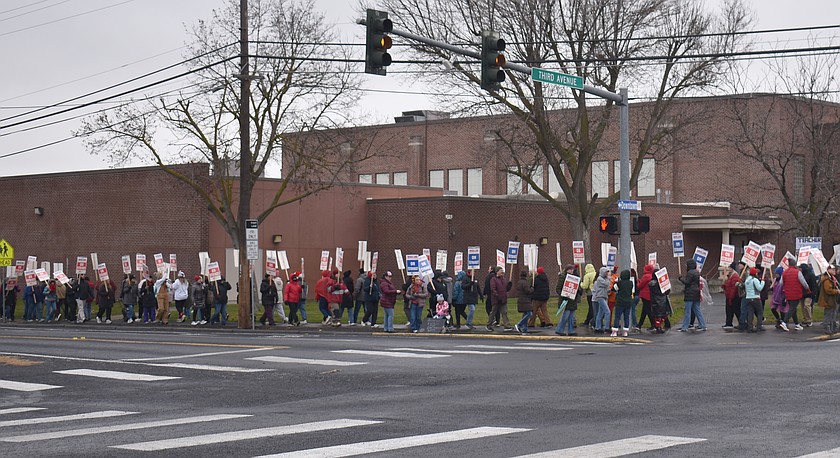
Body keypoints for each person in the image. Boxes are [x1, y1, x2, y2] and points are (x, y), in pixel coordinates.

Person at [779, 258, 809, 331]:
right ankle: (784, 322)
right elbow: (803, 282)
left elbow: (781, 283)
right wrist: (807, 288)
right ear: (795, 264)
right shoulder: (797, 272)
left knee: (793, 308)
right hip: (796, 293)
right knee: (792, 308)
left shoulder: (785, 272)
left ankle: (796, 324)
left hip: (788, 293)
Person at [677, 259, 706, 331]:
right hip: (696, 293)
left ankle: (685, 327)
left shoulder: (690, 273)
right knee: (697, 310)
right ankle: (702, 325)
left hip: (690, 293)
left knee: (687, 311)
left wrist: (681, 279)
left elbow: (687, 282)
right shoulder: (697, 272)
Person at [555, 265, 583, 336]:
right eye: (570, 269)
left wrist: (579, 290)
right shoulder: (563, 277)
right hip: (565, 300)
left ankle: (571, 330)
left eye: (572, 269)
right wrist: (563, 295)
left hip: (573, 300)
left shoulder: (574, 278)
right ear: (567, 270)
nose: (571, 271)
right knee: (565, 316)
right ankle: (559, 329)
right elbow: (558, 288)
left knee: (571, 317)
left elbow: (577, 288)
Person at [486, 266, 512, 331]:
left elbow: (506, 289)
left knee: (504, 312)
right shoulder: (493, 279)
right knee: (493, 312)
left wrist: (509, 286)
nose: (502, 272)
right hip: (496, 299)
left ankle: (507, 326)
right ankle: (489, 324)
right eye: (500, 271)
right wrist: (497, 296)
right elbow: (493, 289)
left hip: (503, 299)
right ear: (497, 272)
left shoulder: (504, 279)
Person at [611, 269, 635, 337]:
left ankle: (615, 331)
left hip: (620, 301)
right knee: (626, 317)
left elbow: (614, 289)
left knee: (617, 317)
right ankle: (625, 331)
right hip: (628, 302)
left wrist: (616, 282)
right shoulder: (631, 283)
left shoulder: (620, 283)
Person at [818, 264, 839, 334]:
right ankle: (827, 328)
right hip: (828, 300)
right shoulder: (827, 279)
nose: (834, 271)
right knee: (828, 314)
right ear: (828, 270)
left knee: (832, 313)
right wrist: (837, 291)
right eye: (833, 270)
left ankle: (832, 327)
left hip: (832, 300)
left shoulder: (832, 278)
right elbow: (828, 290)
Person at [743, 267, 766, 332]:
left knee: (750, 313)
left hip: (748, 298)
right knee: (759, 312)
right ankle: (759, 326)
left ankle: (750, 327)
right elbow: (759, 288)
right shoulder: (755, 280)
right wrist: (762, 282)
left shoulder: (747, 280)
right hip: (755, 297)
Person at [514, 269, 534, 335]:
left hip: (521, 300)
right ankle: (519, 324)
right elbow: (528, 291)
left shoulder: (519, 282)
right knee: (529, 313)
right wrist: (532, 289)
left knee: (525, 314)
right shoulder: (525, 283)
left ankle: (524, 330)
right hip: (526, 300)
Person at [592, 267, 611, 334]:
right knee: (607, 312)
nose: (607, 274)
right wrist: (609, 278)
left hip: (604, 296)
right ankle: (606, 327)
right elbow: (606, 284)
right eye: (606, 272)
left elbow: (606, 287)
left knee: (600, 313)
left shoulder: (604, 279)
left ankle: (598, 327)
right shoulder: (599, 279)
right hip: (600, 297)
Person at [636, 264, 654, 330]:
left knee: (647, 310)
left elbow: (640, 286)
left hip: (645, 295)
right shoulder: (652, 276)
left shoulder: (645, 276)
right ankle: (640, 325)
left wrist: (638, 282)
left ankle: (654, 324)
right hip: (650, 295)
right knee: (645, 310)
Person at [800, 263, 818, 327]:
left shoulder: (811, 275)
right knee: (803, 307)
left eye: (801, 268)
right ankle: (805, 319)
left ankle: (809, 319)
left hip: (809, 293)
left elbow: (814, 285)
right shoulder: (801, 275)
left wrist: (813, 292)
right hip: (802, 293)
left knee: (807, 306)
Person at [580, 263, 597, 328]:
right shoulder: (595, 273)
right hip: (596, 292)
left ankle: (589, 321)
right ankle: (589, 321)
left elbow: (585, 286)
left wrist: (580, 283)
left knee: (591, 307)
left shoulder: (587, 275)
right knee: (594, 307)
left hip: (590, 293)